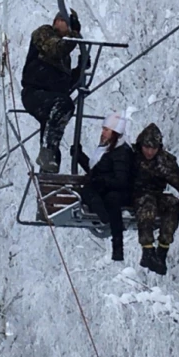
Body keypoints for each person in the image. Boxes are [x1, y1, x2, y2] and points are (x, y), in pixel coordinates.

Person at [21, 9, 85, 173]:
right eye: (67, 24)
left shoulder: (65, 57)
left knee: (55, 123)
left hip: (52, 98)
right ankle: (47, 153)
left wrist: (80, 69)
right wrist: (75, 35)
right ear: (57, 21)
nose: (69, 29)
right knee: (64, 105)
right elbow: (55, 49)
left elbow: (66, 85)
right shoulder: (44, 34)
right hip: (35, 93)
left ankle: (49, 166)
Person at [132, 123, 179, 275]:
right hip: (133, 195)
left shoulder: (163, 160)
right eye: (146, 147)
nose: (149, 152)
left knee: (172, 203)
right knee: (148, 204)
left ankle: (162, 251)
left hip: (155, 194)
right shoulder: (131, 157)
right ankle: (147, 250)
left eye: (153, 148)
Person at [71, 112, 133, 261]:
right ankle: (103, 216)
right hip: (105, 189)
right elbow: (97, 171)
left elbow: (122, 179)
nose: (103, 133)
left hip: (118, 193)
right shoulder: (107, 150)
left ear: (115, 133)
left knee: (110, 199)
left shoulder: (121, 153)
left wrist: (103, 181)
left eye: (107, 129)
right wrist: (79, 156)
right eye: (103, 129)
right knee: (86, 191)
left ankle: (115, 242)